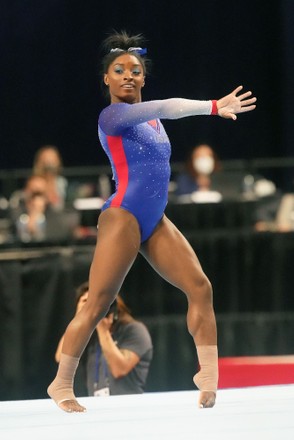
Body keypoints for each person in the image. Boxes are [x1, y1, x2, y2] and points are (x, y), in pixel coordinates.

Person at [47, 30, 256, 412]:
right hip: (123, 215)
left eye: (136, 70)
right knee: (98, 304)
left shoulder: (153, 124)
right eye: (119, 69)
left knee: (200, 286)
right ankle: (61, 384)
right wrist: (212, 106)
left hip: (154, 219)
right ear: (106, 79)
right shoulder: (112, 117)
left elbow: (163, 116)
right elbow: (171, 106)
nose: (128, 75)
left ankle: (207, 376)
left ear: (144, 78)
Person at [55, 282, 153, 396]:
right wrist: (78, 320)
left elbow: (119, 370)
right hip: (97, 408)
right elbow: (61, 357)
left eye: (96, 303)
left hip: (126, 407)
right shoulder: (88, 334)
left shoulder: (134, 330)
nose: (91, 309)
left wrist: (103, 329)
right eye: (85, 302)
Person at [9, 174, 79, 243]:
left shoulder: (55, 215)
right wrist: (34, 214)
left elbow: (57, 237)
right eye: (33, 194)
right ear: (26, 192)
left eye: (39, 194)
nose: (35, 199)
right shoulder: (16, 212)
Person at [32, 145, 68, 211]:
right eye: (46, 160)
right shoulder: (35, 183)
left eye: (52, 160)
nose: (49, 163)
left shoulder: (63, 182)